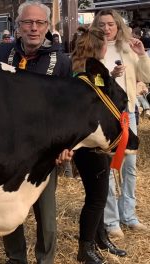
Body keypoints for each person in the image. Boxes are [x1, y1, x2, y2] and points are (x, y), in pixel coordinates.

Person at [0, 2, 71, 263]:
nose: (33, 28)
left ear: (48, 27)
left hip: (44, 154)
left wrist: (65, 144)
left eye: (39, 23)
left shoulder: (61, 61)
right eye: (27, 22)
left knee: (47, 218)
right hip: (8, 152)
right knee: (9, 212)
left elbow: (68, 110)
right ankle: (16, 259)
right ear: (18, 26)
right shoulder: (1, 53)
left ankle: (45, 260)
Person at [71, 26, 127, 264]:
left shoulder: (86, 73)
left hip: (97, 144)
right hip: (90, 145)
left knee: (99, 196)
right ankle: (86, 248)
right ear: (99, 48)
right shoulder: (85, 77)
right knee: (96, 198)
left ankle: (100, 237)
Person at [92, 9, 150, 239]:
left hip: (128, 115)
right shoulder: (94, 50)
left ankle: (129, 215)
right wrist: (112, 76)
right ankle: (111, 219)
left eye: (111, 24)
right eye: (103, 24)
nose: (107, 29)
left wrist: (142, 54)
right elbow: (91, 82)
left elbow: (145, 77)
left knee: (130, 166)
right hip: (104, 115)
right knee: (107, 167)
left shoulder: (129, 48)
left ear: (118, 26)